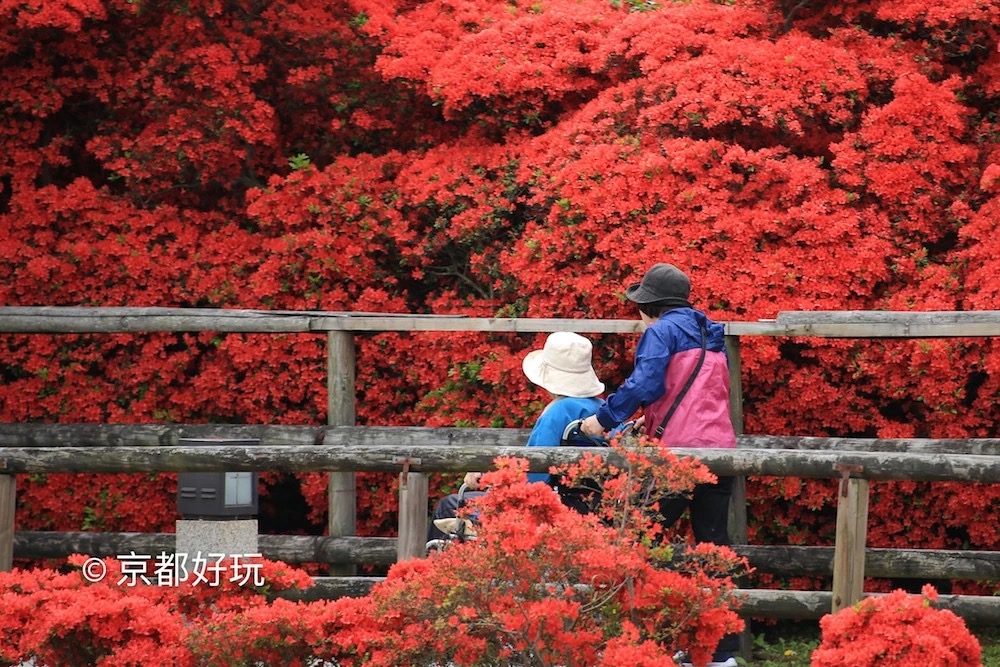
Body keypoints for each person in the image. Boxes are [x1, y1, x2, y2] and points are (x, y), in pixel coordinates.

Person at [580, 262, 739, 667]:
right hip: (720, 449)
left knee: (636, 537)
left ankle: (624, 640)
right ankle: (720, 655)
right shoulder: (711, 332)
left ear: (650, 306)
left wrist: (606, 418)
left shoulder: (660, 331)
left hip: (677, 455)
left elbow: (646, 384)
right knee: (713, 548)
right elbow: (696, 395)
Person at [427, 331, 607, 542]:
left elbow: (534, 472)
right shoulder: (603, 410)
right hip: (592, 510)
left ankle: (431, 573)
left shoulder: (558, 412)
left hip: (546, 509)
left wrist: (488, 478)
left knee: (449, 505)